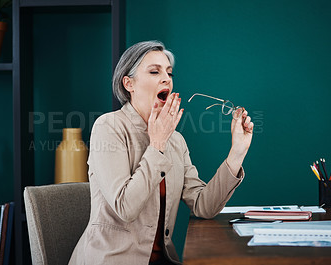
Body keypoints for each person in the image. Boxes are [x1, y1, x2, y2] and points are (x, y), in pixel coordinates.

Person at [68, 40, 254, 265]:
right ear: (129, 83)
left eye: (169, 73)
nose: (166, 78)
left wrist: (236, 152)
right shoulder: (108, 127)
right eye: (154, 72)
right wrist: (157, 145)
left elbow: (203, 206)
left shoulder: (176, 140)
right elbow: (125, 207)